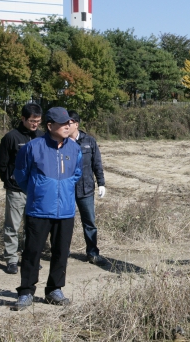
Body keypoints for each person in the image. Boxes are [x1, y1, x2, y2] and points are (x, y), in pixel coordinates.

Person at [12, 107, 82, 311]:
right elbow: (22, 175)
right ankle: (26, 291)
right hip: (38, 209)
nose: (68, 126)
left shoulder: (74, 149)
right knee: (32, 252)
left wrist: (65, 190)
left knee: (61, 252)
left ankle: (54, 290)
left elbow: (76, 173)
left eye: (69, 122)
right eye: (63, 123)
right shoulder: (32, 147)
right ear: (50, 126)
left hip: (66, 210)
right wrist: (40, 192)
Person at [0, 103, 43, 274]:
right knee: (12, 226)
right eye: (32, 121)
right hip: (16, 190)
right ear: (23, 118)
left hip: (35, 190)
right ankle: (11, 259)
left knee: (32, 227)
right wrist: (9, 181)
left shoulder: (42, 137)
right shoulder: (11, 138)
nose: (35, 124)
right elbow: (2, 164)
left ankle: (30, 258)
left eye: (38, 121)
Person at [67, 110, 106, 265]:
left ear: (76, 124)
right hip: (67, 190)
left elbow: (97, 163)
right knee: (65, 223)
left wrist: (101, 183)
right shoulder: (60, 142)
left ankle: (92, 253)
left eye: (68, 123)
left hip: (86, 189)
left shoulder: (89, 141)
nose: (66, 126)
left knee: (89, 222)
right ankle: (63, 253)